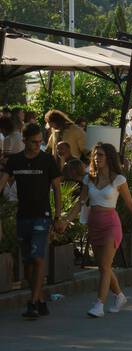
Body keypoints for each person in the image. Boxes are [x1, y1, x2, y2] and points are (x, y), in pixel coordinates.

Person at [64, 142, 132, 318]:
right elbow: (80, 203)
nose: (97, 158)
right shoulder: (89, 178)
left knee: (104, 266)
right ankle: (119, 296)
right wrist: (66, 221)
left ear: (109, 158)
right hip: (94, 224)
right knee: (104, 267)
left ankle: (99, 304)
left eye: (101, 155)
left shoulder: (119, 179)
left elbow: (130, 203)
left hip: (111, 224)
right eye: (95, 155)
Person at [0, 121, 64, 318]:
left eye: (39, 142)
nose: (37, 145)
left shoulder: (47, 161)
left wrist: (57, 216)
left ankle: (33, 303)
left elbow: (57, 189)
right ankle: (42, 299)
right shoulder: (15, 161)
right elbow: (2, 184)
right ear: (24, 140)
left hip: (41, 216)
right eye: (34, 142)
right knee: (27, 265)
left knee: (37, 258)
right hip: (22, 217)